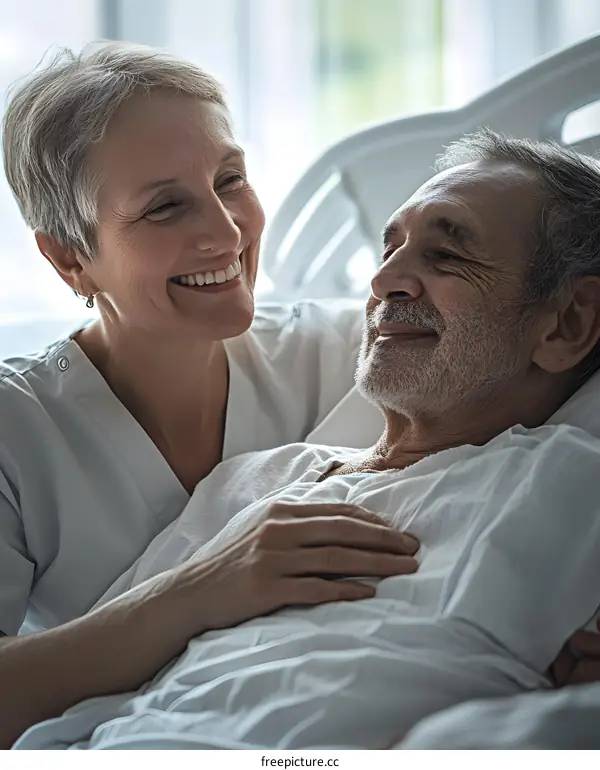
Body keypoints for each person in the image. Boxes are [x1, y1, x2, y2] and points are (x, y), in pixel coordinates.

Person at [12, 128, 600, 750]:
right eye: (389, 248)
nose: (383, 283)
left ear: (567, 323)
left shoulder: (567, 486)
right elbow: (74, 699)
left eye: (448, 256)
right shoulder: (249, 482)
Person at [0, 41, 412, 749]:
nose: (226, 234)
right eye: (165, 208)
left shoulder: (358, 352)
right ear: (70, 256)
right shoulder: (18, 429)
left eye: (230, 180)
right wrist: (200, 590)